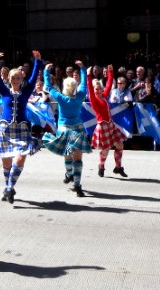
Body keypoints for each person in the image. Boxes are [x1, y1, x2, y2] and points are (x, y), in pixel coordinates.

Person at [0, 50, 43, 204]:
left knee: (20, 159)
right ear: (9, 79)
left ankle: (8, 187)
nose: (15, 80)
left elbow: (34, 78)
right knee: (6, 162)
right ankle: (9, 187)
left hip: (21, 129)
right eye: (13, 78)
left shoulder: (26, 92)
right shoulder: (4, 91)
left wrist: (38, 61)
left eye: (18, 77)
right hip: (5, 129)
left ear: (22, 78)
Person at [42, 61, 91, 197]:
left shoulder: (61, 98)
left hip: (64, 128)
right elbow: (84, 84)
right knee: (78, 158)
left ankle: (69, 173)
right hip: (78, 129)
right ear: (74, 87)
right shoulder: (80, 96)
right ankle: (77, 185)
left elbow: (48, 86)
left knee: (67, 154)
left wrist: (46, 71)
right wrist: (82, 68)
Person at [87, 65, 128, 177]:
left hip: (110, 124)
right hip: (102, 126)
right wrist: (88, 75)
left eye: (100, 88)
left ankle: (118, 167)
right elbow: (89, 87)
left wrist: (110, 72)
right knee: (105, 149)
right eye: (97, 89)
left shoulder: (104, 96)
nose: (99, 90)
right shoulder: (93, 100)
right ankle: (101, 166)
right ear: (94, 91)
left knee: (120, 144)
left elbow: (109, 84)